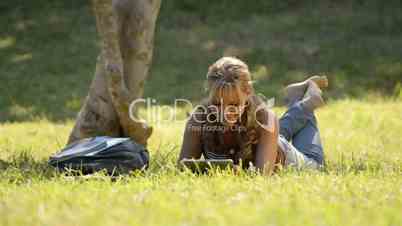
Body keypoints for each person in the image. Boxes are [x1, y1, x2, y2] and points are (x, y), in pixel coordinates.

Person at [178, 57, 328, 175]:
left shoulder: (265, 118)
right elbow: (183, 168)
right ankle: (298, 99)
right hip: (265, 137)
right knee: (273, 130)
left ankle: (308, 103)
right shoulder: (199, 119)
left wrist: (237, 175)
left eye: (235, 105)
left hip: (282, 154)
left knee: (317, 165)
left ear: (248, 92)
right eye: (217, 104)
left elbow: (262, 176)